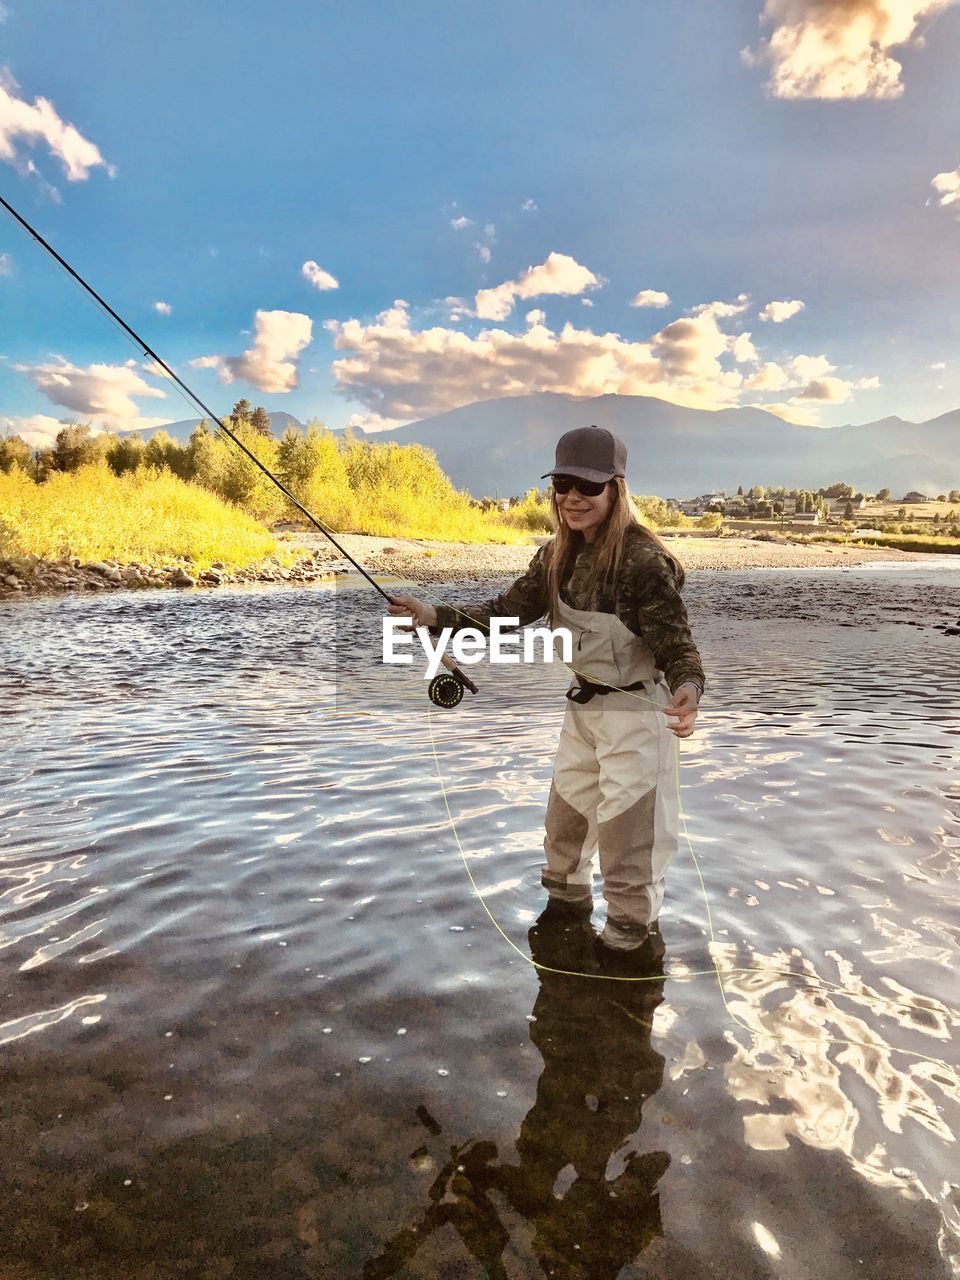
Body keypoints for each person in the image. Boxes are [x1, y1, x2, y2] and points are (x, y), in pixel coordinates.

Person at [387, 425, 705, 951]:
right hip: (582, 709)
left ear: (616, 489)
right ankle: (563, 937)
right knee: (564, 838)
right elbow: (504, 614)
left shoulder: (644, 562)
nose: (573, 498)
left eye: (588, 486)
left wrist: (689, 690)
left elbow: (678, 646)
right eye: (563, 484)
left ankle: (628, 958)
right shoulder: (554, 555)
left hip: (641, 716)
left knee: (630, 852)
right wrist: (432, 614)